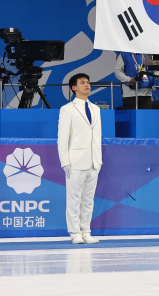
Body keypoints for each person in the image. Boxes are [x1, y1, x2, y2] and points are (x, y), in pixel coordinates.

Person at [57, 73, 103, 244]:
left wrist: (98, 159)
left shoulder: (96, 109)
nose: (87, 85)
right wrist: (65, 162)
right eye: (82, 83)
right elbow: (63, 138)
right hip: (75, 161)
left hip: (93, 160)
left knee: (88, 199)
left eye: (88, 82)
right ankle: (75, 232)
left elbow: (97, 136)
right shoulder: (67, 109)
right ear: (74, 88)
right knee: (74, 198)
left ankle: (86, 231)